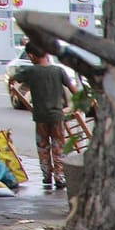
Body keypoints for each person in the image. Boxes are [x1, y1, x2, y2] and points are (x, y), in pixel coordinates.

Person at [14, 45, 76, 191]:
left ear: (31, 56)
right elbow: (74, 90)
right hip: (57, 116)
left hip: (40, 117)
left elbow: (14, 80)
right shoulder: (59, 71)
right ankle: (60, 177)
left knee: (43, 147)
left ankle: (47, 176)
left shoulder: (31, 71)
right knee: (58, 146)